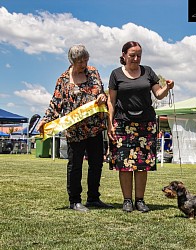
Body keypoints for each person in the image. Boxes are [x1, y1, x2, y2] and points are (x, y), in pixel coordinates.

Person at [37, 44, 113, 212]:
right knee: (75, 165)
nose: (84, 64)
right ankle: (75, 200)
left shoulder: (93, 72)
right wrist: (45, 120)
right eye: (80, 61)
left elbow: (100, 92)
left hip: (94, 127)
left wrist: (102, 96)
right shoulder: (63, 80)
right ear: (72, 61)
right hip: (74, 130)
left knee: (96, 163)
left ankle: (93, 197)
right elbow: (55, 104)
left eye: (86, 60)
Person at [107, 41, 174, 212]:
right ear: (123, 55)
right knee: (124, 163)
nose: (136, 59)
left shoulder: (148, 71)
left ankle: (140, 200)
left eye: (139, 55)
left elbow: (158, 95)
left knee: (142, 163)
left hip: (146, 123)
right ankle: (127, 200)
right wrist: (110, 124)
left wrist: (167, 87)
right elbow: (111, 101)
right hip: (122, 123)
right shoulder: (115, 74)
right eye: (132, 55)